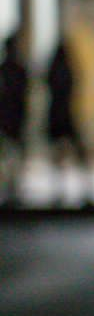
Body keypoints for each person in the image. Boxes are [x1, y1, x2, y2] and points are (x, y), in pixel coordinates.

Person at [45, 40, 92, 205]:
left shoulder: (55, 71)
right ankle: (81, 189)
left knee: (62, 154)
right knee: (70, 154)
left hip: (58, 115)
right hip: (63, 115)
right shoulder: (65, 71)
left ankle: (63, 190)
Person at [0, 32, 28, 204]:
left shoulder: (15, 69)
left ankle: (12, 186)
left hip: (12, 116)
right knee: (9, 154)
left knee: (13, 154)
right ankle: (9, 186)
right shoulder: (10, 69)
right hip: (8, 117)